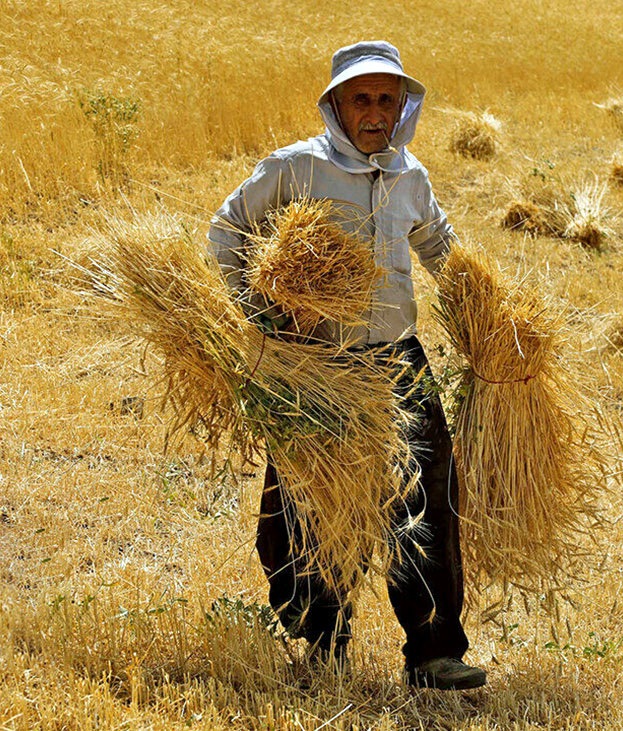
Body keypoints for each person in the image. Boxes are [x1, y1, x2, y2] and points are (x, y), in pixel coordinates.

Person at [207, 40, 486, 691]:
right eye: (362, 98)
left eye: (387, 100)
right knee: (310, 504)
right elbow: (227, 229)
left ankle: (434, 650)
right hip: (316, 366)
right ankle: (319, 642)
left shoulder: (410, 175)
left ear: (401, 108)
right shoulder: (296, 168)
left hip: (398, 362)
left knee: (425, 499)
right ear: (336, 104)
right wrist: (263, 312)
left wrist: (486, 316)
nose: (375, 112)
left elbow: (442, 248)